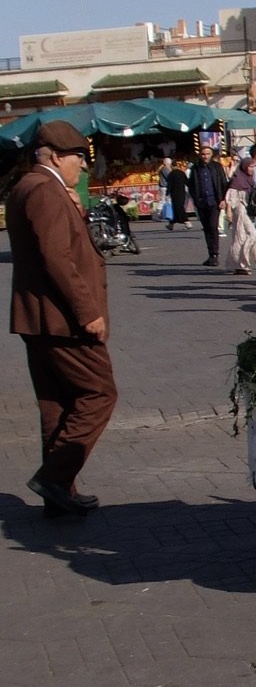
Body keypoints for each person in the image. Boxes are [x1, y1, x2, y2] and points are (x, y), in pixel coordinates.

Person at [6, 121, 119, 517]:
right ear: (56, 155)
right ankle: (54, 477)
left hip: (40, 318)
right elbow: (58, 259)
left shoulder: (36, 188)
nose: (84, 168)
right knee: (99, 394)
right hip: (61, 318)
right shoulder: (43, 190)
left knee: (57, 403)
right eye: (79, 158)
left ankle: (59, 492)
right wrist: (88, 313)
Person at [187, 144, 229, 266]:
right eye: (203, 154)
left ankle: (215, 254)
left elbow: (223, 183)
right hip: (201, 202)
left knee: (213, 227)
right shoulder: (196, 168)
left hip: (214, 201)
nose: (205, 156)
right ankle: (211, 254)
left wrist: (223, 199)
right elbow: (191, 185)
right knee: (206, 228)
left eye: (207, 154)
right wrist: (195, 198)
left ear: (211, 155)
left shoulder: (217, 167)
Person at [225, 157, 256, 275]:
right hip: (240, 212)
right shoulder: (237, 180)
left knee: (245, 237)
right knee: (251, 236)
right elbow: (230, 198)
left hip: (248, 212)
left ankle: (245, 265)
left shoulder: (249, 179)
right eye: (250, 167)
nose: (252, 169)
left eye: (253, 167)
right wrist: (229, 213)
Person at [166, 158, 192, 230]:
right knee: (179, 207)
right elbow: (187, 182)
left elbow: (169, 185)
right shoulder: (182, 173)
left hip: (174, 193)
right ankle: (171, 224)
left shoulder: (171, 174)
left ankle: (186, 221)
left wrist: (167, 193)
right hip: (182, 192)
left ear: (171, 166)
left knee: (176, 208)